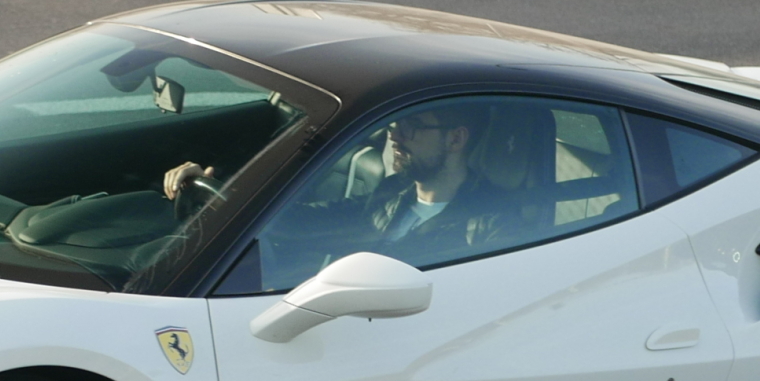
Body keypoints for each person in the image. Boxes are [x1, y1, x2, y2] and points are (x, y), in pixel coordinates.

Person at [167, 104, 513, 265]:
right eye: (393, 127)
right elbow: (296, 221)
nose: (393, 137)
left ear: (455, 139)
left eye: (410, 127)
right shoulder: (392, 194)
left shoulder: (492, 224)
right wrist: (221, 193)